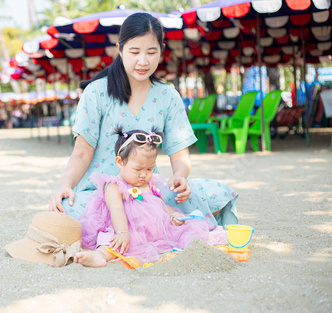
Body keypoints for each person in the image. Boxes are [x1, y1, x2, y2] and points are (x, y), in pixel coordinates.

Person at [49, 12, 238, 232]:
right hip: (100, 195)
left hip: (148, 193)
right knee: (68, 207)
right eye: (134, 52)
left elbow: (180, 156)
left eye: (151, 52)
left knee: (215, 190)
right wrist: (65, 186)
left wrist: (179, 177)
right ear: (120, 50)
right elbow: (82, 152)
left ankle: (139, 225)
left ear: (161, 50)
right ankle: (149, 226)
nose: (143, 61)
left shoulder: (168, 96)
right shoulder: (96, 93)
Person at [73, 128, 227, 267]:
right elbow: (116, 210)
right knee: (112, 240)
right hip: (123, 227)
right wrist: (122, 232)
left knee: (185, 230)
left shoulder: (150, 184)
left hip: (152, 229)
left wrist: (173, 215)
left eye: (149, 168)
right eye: (138, 169)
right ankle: (99, 256)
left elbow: (160, 204)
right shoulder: (114, 185)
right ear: (120, 162)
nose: (144, 174)